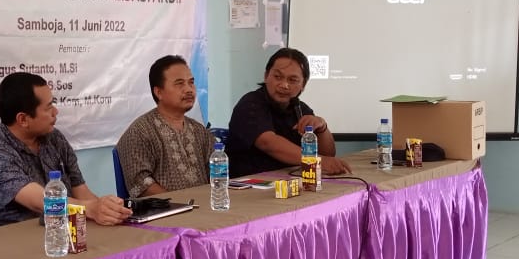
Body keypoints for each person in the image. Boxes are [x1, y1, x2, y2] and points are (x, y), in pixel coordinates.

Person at [0, 72, 132, 227]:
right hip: (22, 237)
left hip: (68, 230)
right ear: (23, 119)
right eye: (49, 107)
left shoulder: (54, 138)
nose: (55, 112)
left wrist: (108, 209)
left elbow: (81, 191)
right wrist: (91, 209)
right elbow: (42, 203)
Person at [226, 47, 352, 178]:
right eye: (278, 77)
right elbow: (268, 143)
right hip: (248, 183)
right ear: (266, 76)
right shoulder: (250, 103)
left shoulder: (300, 108)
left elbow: (328, 155)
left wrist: (322, 127)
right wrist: (315, 160)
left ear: (303, 85)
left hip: (288, 182)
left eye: (292, 80)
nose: (284, 85)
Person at [116, 55, 214, 197]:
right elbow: (141, 185)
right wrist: (181, 203)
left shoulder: (200, 131)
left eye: (191, 83)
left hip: (205, 205)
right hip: (166, 209)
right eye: (179, 84)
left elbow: (217, 174)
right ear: (159, 92)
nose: (189, 89)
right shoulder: (139, 132)